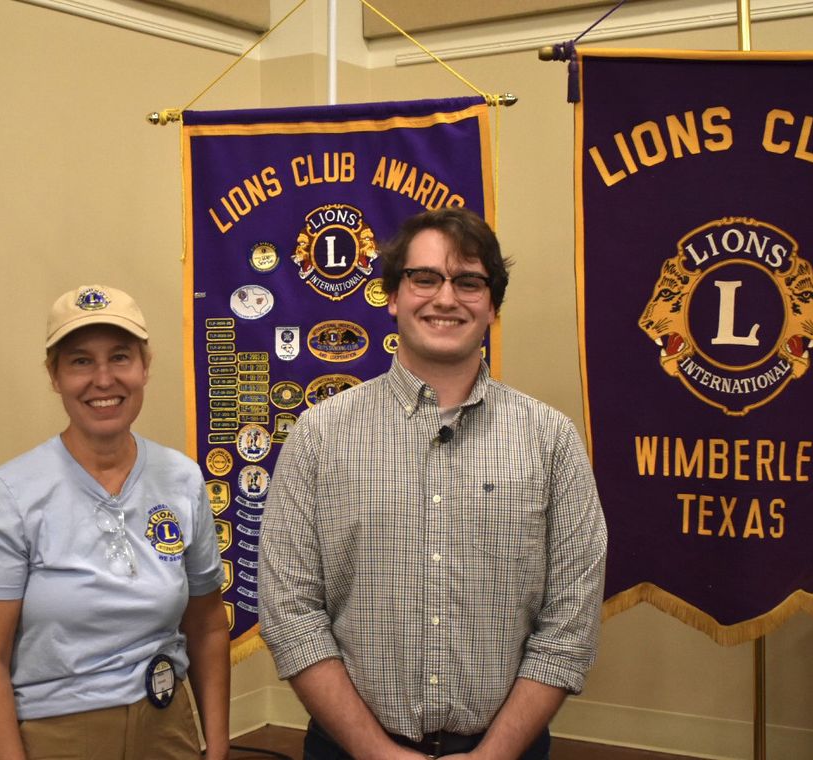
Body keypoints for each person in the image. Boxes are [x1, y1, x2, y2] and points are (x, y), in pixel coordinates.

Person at [260, 208, 607, 760]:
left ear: (492, 305)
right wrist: (377, 753)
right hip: (348, 750)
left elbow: (570, 626)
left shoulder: (551, 440)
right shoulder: (320, 436)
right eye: (425, 278)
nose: (446, 299)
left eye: (468, 282)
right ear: (393, 297)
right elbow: (291, 614)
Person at [0, 284, 230, 760]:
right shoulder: (10, 493)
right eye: (80, 361)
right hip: (52, 734)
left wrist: (219, 745)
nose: (104, 379)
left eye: (120, 357)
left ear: (144, 367)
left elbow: (206, 624)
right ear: (54, 376)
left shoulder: (181, 478)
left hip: (167, 726)